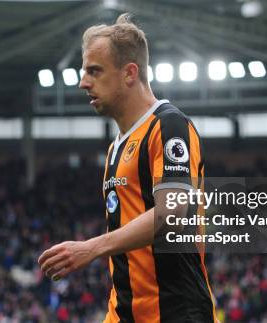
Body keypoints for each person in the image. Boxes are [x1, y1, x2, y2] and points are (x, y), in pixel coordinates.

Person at [38, 13, 216, 322]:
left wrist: (92, 248)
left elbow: (173, 214)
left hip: (175, 313)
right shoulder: (116, 147)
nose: (83, 83)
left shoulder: (169, 125)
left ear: (129, 73)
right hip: (124, 313)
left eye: (95, 71)